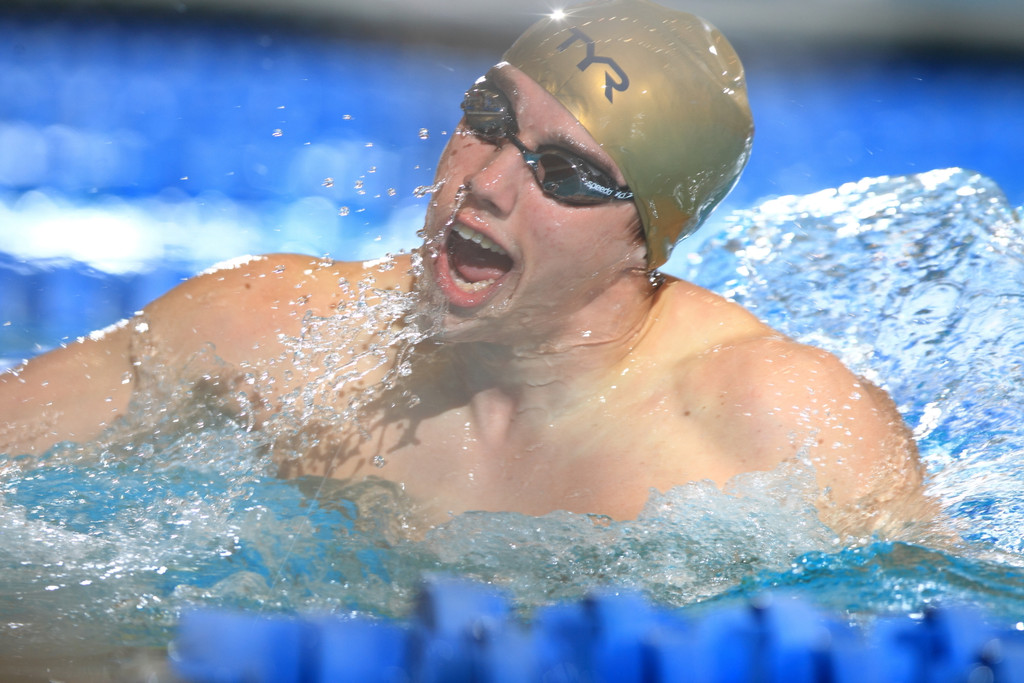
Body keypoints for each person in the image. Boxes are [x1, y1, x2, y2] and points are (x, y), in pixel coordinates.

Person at [0, 0, 929, 536]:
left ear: (648, 241)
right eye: (488, 120)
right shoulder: (266, 330)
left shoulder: (778, 430)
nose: (484, 182)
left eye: (564, 174)